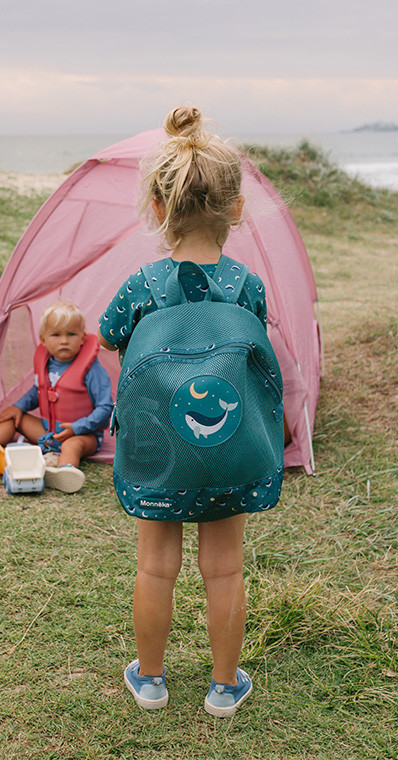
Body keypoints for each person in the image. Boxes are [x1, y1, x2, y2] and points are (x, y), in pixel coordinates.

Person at [98, 106, 273, 718]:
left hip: (158, 447)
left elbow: (108, 338)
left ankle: (150, 680)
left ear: (156, 209)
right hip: (226, 444)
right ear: (237, 209)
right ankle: (225, 687)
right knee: (223, 570)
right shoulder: (247, 284)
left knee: (156, 564)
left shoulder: (142, 285)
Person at [0, 300, 112, 493]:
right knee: (15, 418)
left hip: (83, 434)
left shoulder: (92, 370)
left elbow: (105, 409)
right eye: (56, 335)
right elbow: (37, 392)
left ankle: (63, 472)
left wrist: (77, 427)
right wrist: (18, 407)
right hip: (47, 432)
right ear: (43, 339)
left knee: (71, 446)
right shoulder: (46, 363)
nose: (64, 341)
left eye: (71, 334)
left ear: (82, 338)